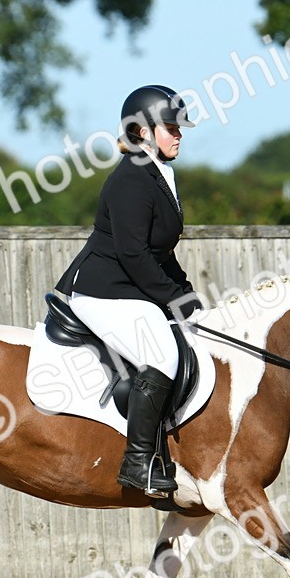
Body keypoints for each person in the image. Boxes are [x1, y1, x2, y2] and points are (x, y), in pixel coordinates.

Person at [54, 84, 203, 496]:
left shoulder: (160, 174)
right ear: (142, 131)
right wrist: (172, 299)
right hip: (103, 292)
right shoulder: (132, 180)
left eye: (178, 127)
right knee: (161, 355)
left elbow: (160, 250)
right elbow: (134, 254)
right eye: (170, 126)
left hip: (129, 289)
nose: (179, 134)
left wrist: (188, 295)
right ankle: (138, 461)